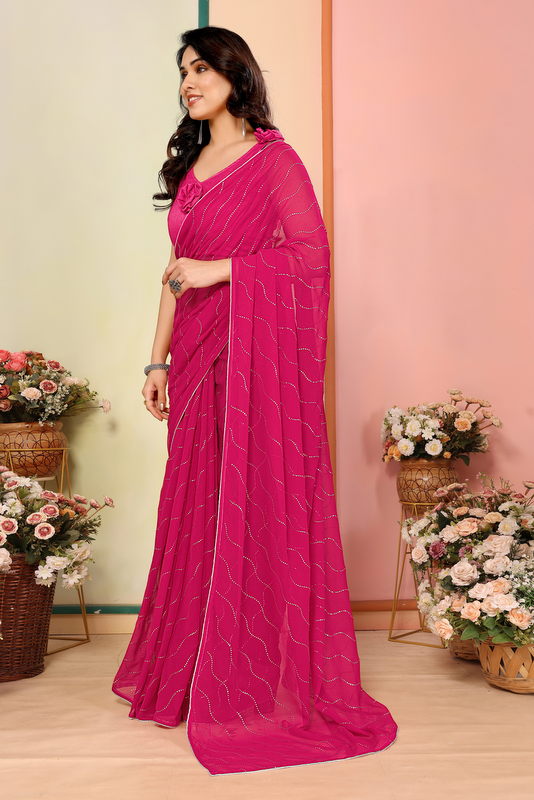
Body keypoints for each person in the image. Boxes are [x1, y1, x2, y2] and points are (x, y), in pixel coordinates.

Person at [111, 25, 398, 775]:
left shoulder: (274, 160)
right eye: (183, 71)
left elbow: (309, 256)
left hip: (247, 359)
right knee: (194, 503)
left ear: (236, 75)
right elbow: (175, 270)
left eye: (201, 69)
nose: (188, 82)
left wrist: (223, 271)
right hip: (195, 356)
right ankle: (188, 667)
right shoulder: (191, 167)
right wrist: (156, 358)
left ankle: (254, 673)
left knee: (249, 499)